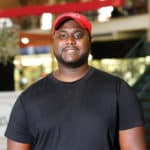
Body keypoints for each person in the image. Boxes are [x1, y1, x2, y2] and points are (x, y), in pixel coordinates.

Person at [5, 12, 147, 150]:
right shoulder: (28, 99)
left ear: (90, 39)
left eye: (78, 35)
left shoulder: (119, 91)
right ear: (53, 40)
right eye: (62, 35)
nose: (70, 41)